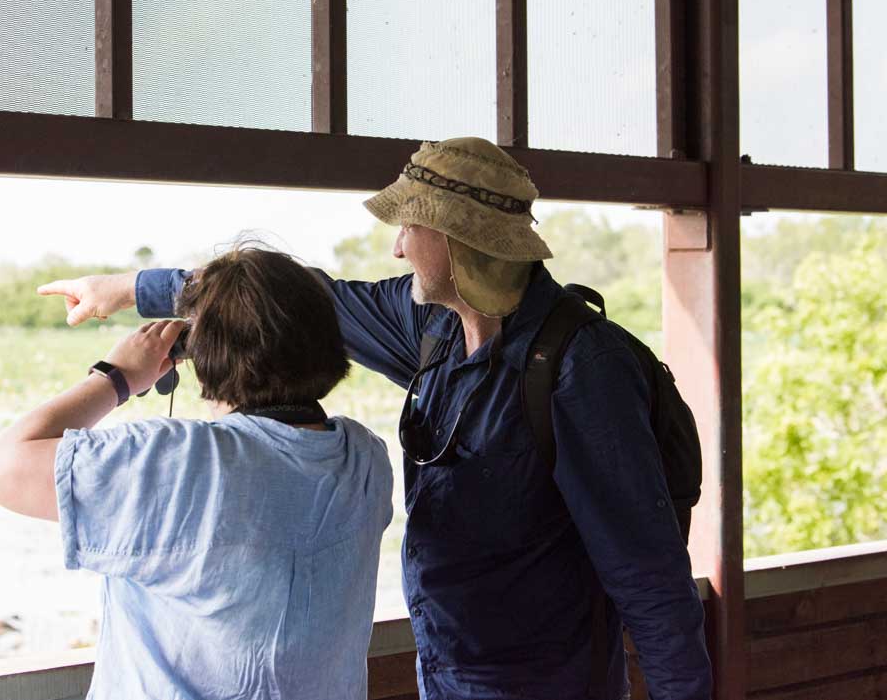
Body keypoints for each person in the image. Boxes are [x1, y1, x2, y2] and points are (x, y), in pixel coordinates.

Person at [42, 138, 711, 700]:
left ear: (454, 238)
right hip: (445, 674)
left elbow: (650, 581)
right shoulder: (430, 323)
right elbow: (293, 303)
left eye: (408, 228)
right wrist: (131, 290)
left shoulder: (582, 370)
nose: (396, 249)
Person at [0, 246, 394, 700]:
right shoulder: (365, 460)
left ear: (201, 353)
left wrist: (116, 376)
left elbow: (2, 469)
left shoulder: (182, 462)